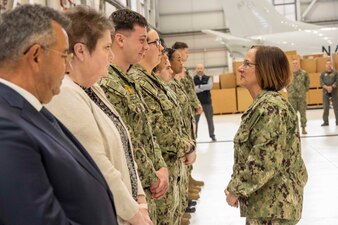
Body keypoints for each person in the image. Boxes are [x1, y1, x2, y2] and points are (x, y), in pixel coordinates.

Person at [0, 4, 118, 225]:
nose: (66, 67)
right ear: (35, 56)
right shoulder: (6, 126)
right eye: (64, 55)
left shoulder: (30, 110)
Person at [45, 6, 151, 225]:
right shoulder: (65, 93)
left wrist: (140, 200)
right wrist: (136, 216)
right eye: (106, 47)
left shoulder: (93, 88)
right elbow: (100, 166)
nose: (111, 55)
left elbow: (124, 148)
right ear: (81, 51)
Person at [99, 9, 168, 224]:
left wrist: (161, 165)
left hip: (151, 184)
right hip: (134, 189)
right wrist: (153, 176)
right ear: (119, 39)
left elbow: (148, 131)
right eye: (141, 40)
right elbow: (126, 139)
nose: (146, 47)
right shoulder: (107, 83)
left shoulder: (130, 80)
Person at [225, 46, 308, 225]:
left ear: (264, 70)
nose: (240, 68)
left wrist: (236, 189)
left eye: (247, 64)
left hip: (274, 207)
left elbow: (264, 161)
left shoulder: (272, 108)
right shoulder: (262, 105)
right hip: (265, 204)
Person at [128, 30, 196, 225]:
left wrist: (188, 145)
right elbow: (155, 130)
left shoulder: (152, 81)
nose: (161, 48)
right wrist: (186, 147)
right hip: (156, 178)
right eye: (155, 42)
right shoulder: (138, 81)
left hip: (169, 170)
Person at [193, 63, 216, 141]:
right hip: (197, 103)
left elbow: (210, 86)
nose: (200, 70)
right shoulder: (193, 79)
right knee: (195, 121)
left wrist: (199, 87)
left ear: (204, 69)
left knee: (210, 120)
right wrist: (203, 87)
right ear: (196, 69)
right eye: (198, 68)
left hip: (207, 103)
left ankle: (212, 135)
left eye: (201, 68)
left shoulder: (208, 78)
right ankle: (194, 137)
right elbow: (193, 89)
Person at [286, 59, 310, 134]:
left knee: (303, 113)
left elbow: (307, 83)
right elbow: (285, 83)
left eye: (296, 63)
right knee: (292, 114)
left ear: (299, 64)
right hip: (292, 97)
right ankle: (295, 129)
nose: (295, 64)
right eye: (293, 63)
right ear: (292, 65)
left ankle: (303, 128)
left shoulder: (304, 73)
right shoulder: (289, 74)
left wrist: (303, 91)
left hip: (301, 97)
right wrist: (289, 90)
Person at [320, 60, 338, 126]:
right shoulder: (322, 74)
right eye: (327, 64)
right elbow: (321, 83)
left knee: (336, 107)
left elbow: (337, 81)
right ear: (325, 65)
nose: (329, 65)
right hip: (325, 92)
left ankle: (337, 121)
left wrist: (332, 87)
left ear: (332, 65)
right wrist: (327, 88)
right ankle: (325, 122)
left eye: (330, 64)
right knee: (325, 107)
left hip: (334, 92)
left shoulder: (335, 73)